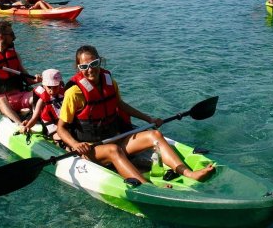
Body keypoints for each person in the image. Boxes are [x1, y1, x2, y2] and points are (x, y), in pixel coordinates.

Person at [57, 45, 215, 184]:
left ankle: (189, 173)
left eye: (94, 64)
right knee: (113, 150)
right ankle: (147, 188)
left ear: (100, 61)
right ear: (78, 68)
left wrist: (149, 119)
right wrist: (76, 145)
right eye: (84, 66)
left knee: (155, 135)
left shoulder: (109, 81)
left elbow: (120, 105)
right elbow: (61, 129)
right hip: (92, 149)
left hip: (115, 138)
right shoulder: (74, 92)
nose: (90, 70)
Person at [20, 68, 64, 136]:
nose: (52, 91)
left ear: (60, 84)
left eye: (55, 87)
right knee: (59, 135)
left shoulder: (65, 94)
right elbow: (35, 117)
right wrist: (27, 127)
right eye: (49, 87)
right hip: (50, 125)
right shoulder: (41, 100)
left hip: (63, 123)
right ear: (43, 85)